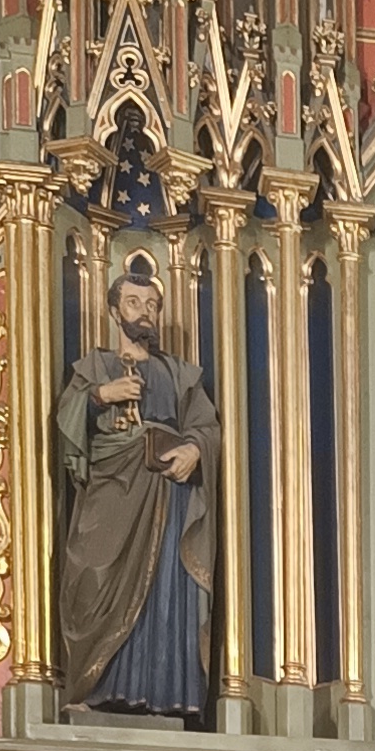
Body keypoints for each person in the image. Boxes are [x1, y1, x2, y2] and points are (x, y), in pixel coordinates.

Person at [53, 263, 218, 717]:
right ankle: (95, 687)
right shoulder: (93, 368)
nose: (144, 312)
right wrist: (100, 396)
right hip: (111, 496)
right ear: (113, 311)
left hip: (166, 498)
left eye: (151, 305)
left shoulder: (180, 374)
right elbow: (65, 425)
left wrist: (194, 449)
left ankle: (163, 695)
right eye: (133, 302)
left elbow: (207, 427)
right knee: (94, 578)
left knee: (164, 594)